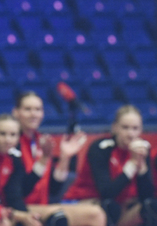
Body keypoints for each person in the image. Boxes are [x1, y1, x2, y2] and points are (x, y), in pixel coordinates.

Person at [12, 91, 106, 226]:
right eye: (28, 109)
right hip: (19, 206)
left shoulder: (42, 141)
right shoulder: (11, 143)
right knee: (57, 216)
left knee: (95, 214)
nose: (34, 114)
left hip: (43, 205)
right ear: (16, 112)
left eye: (38, 109)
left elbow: (54, 189)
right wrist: (44, 159)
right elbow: (21, 190)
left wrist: (64, 158)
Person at [64, 105, 153, 226]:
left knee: (150, 208)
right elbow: (106, 193)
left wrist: (141, 166)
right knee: (110, 207)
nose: (130, 134)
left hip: (121, 206)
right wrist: (132, 164)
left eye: (135, 128)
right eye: (125, 128)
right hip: (87, 202)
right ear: (115, 127)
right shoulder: (101, 148)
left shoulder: (142, 150)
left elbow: (147, 196)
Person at [0, 113, 42, 226]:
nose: (8, 140)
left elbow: (15, 195)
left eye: (13, 135)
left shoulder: (14, 160)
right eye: (2, 134)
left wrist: (26, 216)